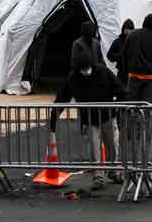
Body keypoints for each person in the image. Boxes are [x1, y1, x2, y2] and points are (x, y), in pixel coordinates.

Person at [49, 50, 125, 190]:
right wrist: (55, 115)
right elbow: (63, 98)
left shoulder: (103, 72)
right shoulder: (74, 77)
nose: (86, 72)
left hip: (106, 115)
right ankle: (99, 176)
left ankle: (113, 171)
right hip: (91, 118)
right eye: (83, 69)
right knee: (94, 148)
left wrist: (118, 108)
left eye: (87, 68)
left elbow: (119, 89)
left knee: (112, 145)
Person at [122, 14, 152, 103]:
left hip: (134, 75)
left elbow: (124, 54)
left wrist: (127, 70)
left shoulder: (132, 35)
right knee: (147, 105)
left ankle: (133, 117)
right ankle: (146, 117)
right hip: (150, 77)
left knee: (132, 104)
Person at [107, 19, 135, 84]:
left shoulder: (135, 41)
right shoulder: (118, 41)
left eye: (130, 29)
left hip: (133, 74)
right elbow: (109, 55)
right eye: (126, 29)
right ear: (123, 29)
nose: (128, 31)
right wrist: (120, 56)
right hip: (122, 73)